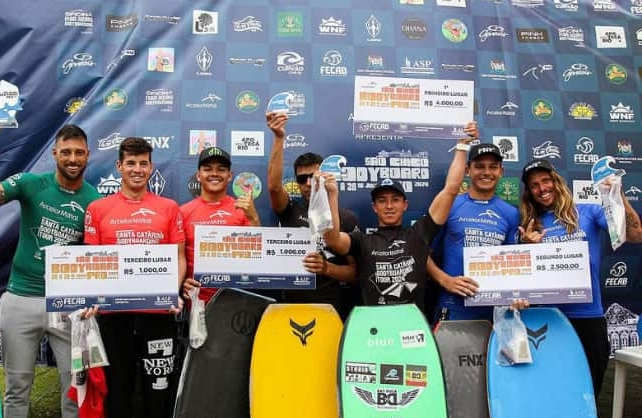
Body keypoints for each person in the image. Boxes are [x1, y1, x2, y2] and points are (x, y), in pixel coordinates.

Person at [0, 117, 102, 418]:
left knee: (73, 383)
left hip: (68, 303)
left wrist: (93, 300)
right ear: (55, 153)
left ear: (88, 155)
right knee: (17, 384)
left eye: (79, 152)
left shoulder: (95, 201)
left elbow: (100, 259)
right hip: (22, 296)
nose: (72, 158)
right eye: (66, 152)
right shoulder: (30, 183)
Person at [82, 137, 186, 418]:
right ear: (119, 167)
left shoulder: (169, 207)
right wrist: (94, 297)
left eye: (143, 163)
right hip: (115, 315)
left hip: (157, 314)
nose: (137, 170)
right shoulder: (98, 209)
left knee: (159, 388)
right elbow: (92, 261)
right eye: (131, 163)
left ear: (151, 167)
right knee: (119, 390)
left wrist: (171, 292)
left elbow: (179, 258)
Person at [518, 159, 642, 396]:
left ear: (556, 181)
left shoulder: (588, 211)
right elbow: (522, 277)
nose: (542, 188)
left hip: (589, 318)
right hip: (548, 319)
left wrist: (616, 193)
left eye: (546, 180)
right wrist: (528, 248)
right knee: (553, 391)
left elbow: (635, 235)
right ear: (530, 192)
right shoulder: (529, 225)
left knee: (589, 391)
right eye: (535, 185)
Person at [323, 122, 479, 309]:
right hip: (374, 327)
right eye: (382, 200)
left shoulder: (419, 234)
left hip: (411, 327)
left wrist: (462, 146)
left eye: (395, 199)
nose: (389, 206)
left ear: (405, 205)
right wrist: (332, 195)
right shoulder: (362, 241)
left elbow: (451, 190)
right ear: (374, 207)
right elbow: (332, 239)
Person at [266, 111, 359, 319]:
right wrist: (279, 137)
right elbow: (273, 187)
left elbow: (356, 274)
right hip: (290, 308)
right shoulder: (289, 210)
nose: (308, 184)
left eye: (313, 176)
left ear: (326, 175)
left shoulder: (346, 218)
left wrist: (326, 268)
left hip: (331, 309)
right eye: (302, 179)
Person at [427, 143, 520, 322]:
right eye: (479, 166)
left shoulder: (510, 213)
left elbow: (513, 265)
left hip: (495, 312)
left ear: (501, 171)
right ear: (467, 170)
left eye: (493, 167)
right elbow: (420, 250)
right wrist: (445, 280)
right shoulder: (451, 205)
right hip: (453, 306)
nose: (486, 172)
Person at [180, 146, 260, 302]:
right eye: (207, 169)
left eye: (221, 169)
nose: (214, 174)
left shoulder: (243, 209)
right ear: (198, 175)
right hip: (196, 303)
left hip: (235, 300)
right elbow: (177, 258)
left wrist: (254, 219)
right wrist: (181, 282)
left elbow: (255, 258)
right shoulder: (183, 212)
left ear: (229, 176)